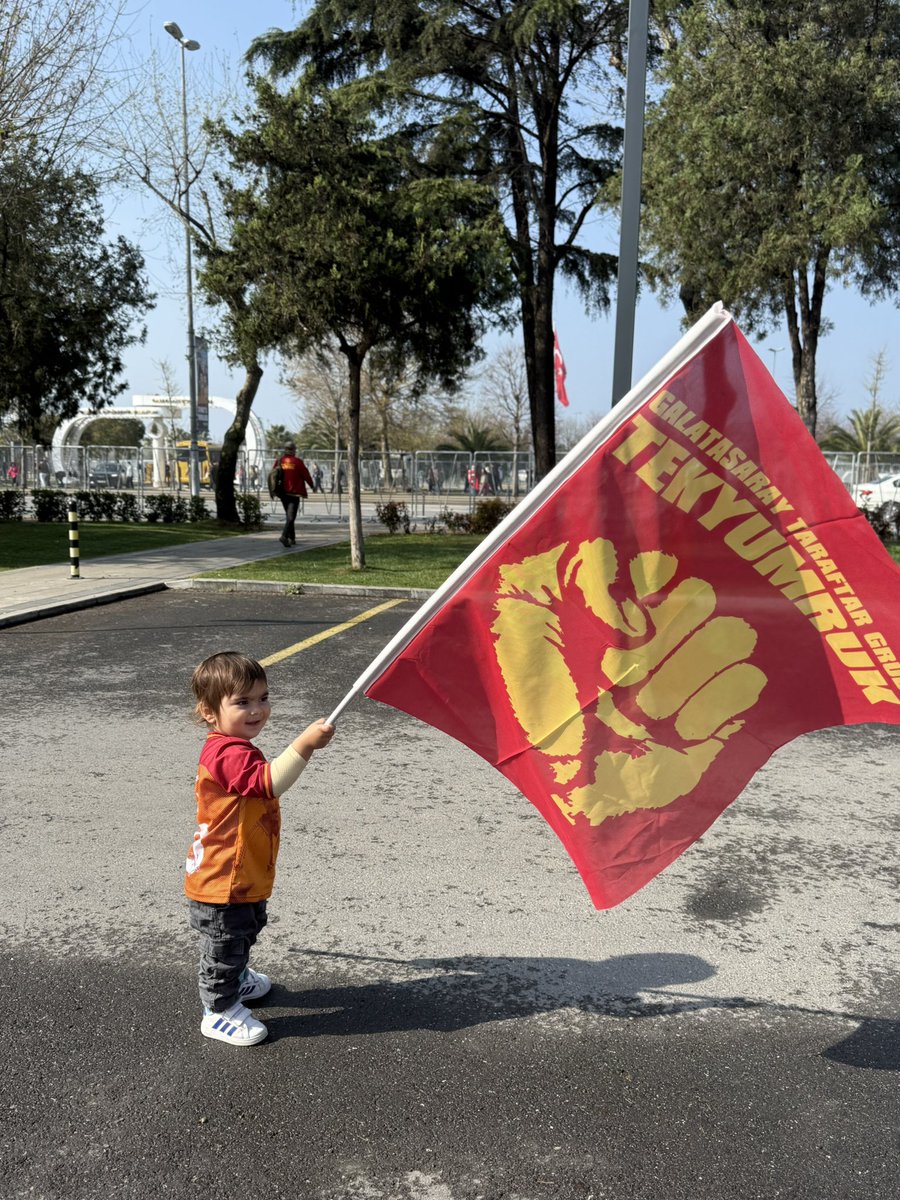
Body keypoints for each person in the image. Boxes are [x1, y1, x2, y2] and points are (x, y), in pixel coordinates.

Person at [185, 651, 335, 1046]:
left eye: (263, 698)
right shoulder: (226, 753)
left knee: (247, 930)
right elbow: (269, 782)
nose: (257, 710)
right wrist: (304, 743)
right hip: (223, 879)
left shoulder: (236, 746)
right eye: (242, 702)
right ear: (209, 712)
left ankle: (237, 978)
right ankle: (218, 1009)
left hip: (243, 872)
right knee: (224, 945)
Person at [273, 441, 314, 547]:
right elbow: (306, 475)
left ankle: (292, 538)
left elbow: (273, 475)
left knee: (289, 516)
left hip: (282, 494)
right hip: (294, 493)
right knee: (291, 517)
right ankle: (284, 536)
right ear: (293, 450)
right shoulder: (297, 462)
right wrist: (312, 485)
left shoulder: (279, 461)